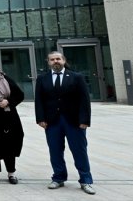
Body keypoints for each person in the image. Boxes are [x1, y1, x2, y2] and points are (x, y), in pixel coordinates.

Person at [35, 51, 95, 195]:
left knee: (79, 151)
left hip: (74, 121)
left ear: (63, 60)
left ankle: (85, 180)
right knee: (55, 150)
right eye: (52, 59)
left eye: (58, 59)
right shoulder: (42, 79)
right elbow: (39, 100)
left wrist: (84, 121)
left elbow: (84, 100)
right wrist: (40, 119)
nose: (55, 61)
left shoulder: (76, 77)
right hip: (52, 122)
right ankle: (58, 177)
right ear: (48, 62)